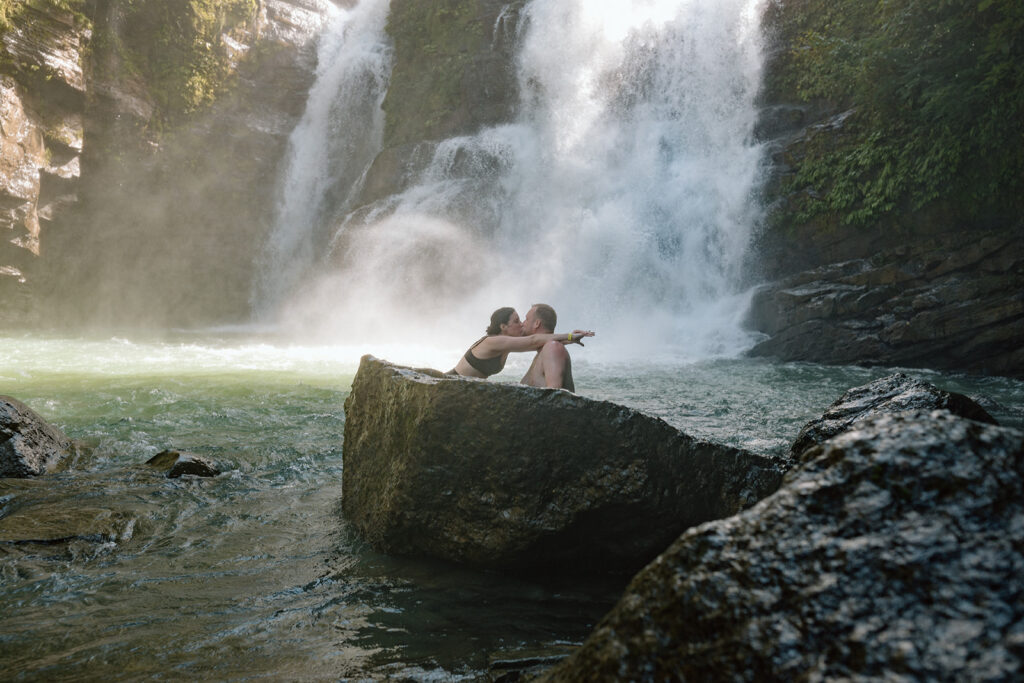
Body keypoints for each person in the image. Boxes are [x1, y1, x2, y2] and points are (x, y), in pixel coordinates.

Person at [449, 306, 593, 379]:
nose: (522, 325)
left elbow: (538, 343)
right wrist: (568, 336)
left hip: (463, 388)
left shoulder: (508, 343)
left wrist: (571, 339)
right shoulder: (493, 342)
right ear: (503, 327)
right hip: (448, 382)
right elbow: (533, 340)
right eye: (516, 321)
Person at [519, 303, 591, 392]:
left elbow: (554, 397)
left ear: (537, 323)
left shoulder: (552, 348)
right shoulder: (543, 352)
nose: (522, 323)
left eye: (526, 319)